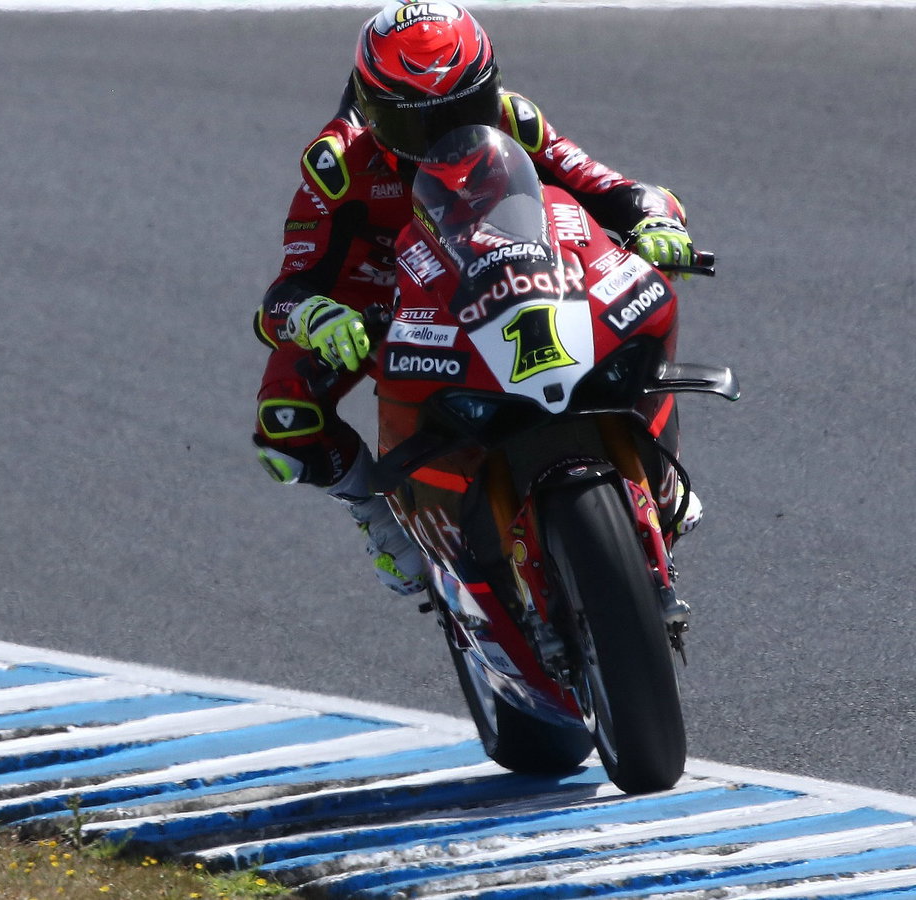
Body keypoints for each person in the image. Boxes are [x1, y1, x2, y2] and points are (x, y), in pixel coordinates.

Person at [252, 0, 698, 596]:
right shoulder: (340, 165)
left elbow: (612, 188)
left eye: (466, 112)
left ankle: (652, 464)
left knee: (631, 310)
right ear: (374, 111)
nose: (448, 140)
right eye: (421, 124)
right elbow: (285, 293)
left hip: (507, 265)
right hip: (383, 301)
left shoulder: (516, 120)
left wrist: (658, 220)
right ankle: (380, 516)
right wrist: (315, 315)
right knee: (285, 423)